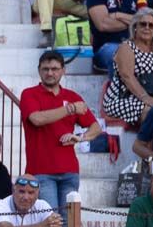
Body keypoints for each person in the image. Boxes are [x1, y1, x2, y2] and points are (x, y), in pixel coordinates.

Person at [21, 50, 101, 218]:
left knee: (69, 226)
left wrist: (80, 138)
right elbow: (37, 119)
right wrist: (69, 109)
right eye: (45, 69)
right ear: (39, 70)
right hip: (41, 171)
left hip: (70, 171)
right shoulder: (29, 94)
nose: (50, 73)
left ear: (63, 71)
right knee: (51, 224)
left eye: (55, 69)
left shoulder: (72, 96)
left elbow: (96, 127)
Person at [101, 7, 153, 128]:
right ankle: (145, 144)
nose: (147, 28)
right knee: (150, 111)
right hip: (121, 98)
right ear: (135, 27)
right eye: (143, 24)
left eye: (151, 25)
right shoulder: (127, 47)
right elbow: (127, 77)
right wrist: (145, 98)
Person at [0, 174, 65, 227]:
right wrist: (42, 226)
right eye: (21, 192)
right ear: (13, 191)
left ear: (38, 194)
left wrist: (56, 226)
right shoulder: (0, 206)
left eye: (31, 193)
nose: (26, 197)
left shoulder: (42, 205)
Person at [85, 0, 140, 72]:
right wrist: (133, 22)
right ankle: (116, 84)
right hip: (105, 48)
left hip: (133, 46)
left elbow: (144, 20)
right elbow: (103, 24)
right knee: (119, 53)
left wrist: (117, 15)